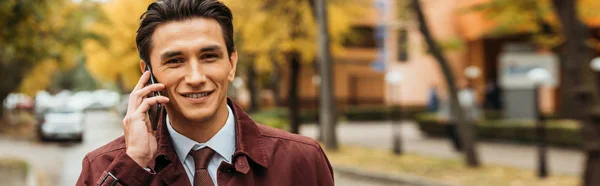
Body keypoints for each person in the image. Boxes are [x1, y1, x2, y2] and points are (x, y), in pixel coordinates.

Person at [76, 0, 334, 185]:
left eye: (209, 56)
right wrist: (133, 167)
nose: (196, 78)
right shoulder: (104, 167)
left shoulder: (301, 160)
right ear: (148, 72)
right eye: (175, 61)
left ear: (231, 63)